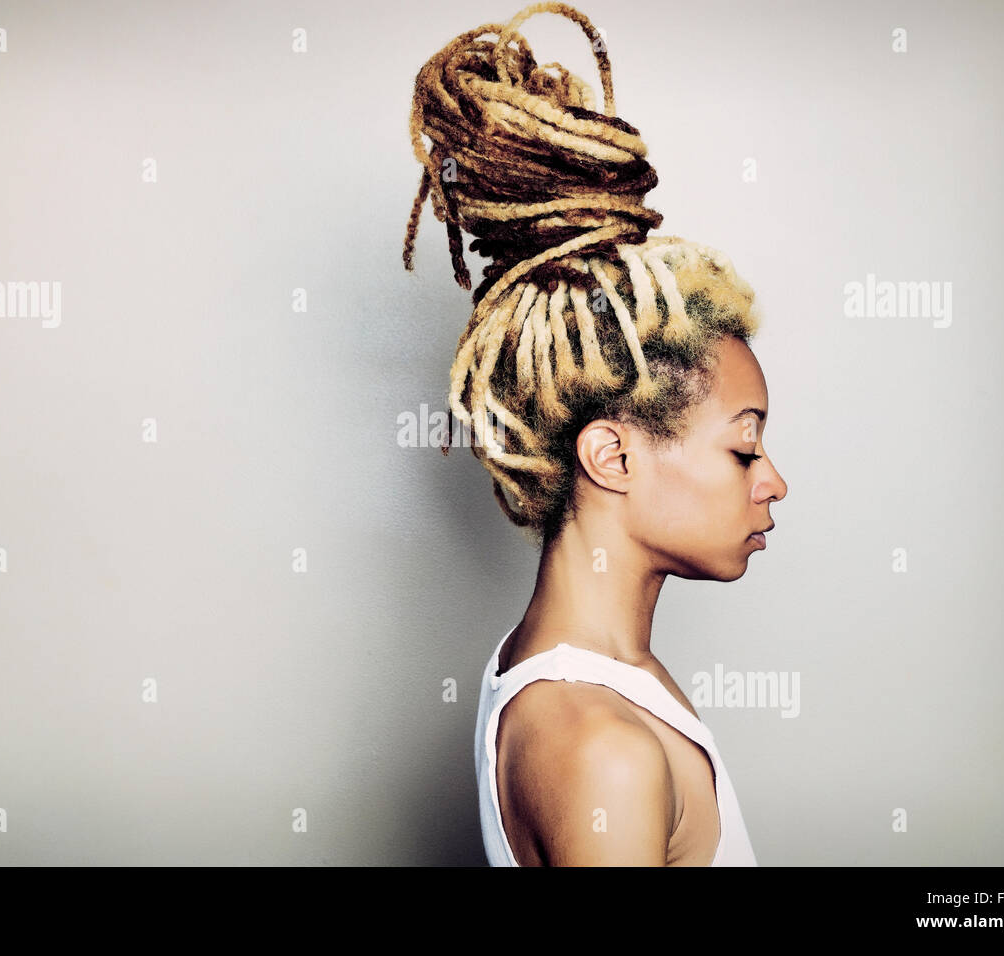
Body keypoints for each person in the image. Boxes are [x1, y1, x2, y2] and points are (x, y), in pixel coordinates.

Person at [403, 1, 788, 865]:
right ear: (612, 454)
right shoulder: (599, 749)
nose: (773, 481)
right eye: (743, 445)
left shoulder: (585, 677)